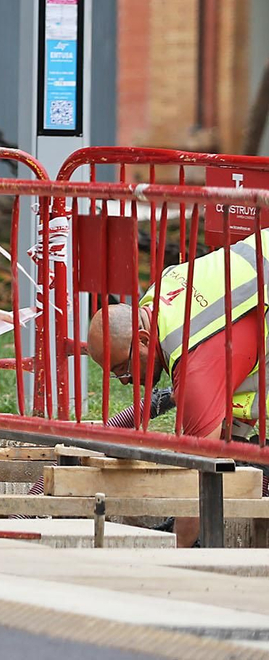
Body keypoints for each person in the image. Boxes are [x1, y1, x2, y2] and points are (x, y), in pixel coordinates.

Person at [86, 228, 269, 547]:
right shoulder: (161, 293)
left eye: (121, 369)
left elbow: (201, 477)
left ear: (143, 341)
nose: (125, 381)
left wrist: (177, 553)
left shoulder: (193, 359)